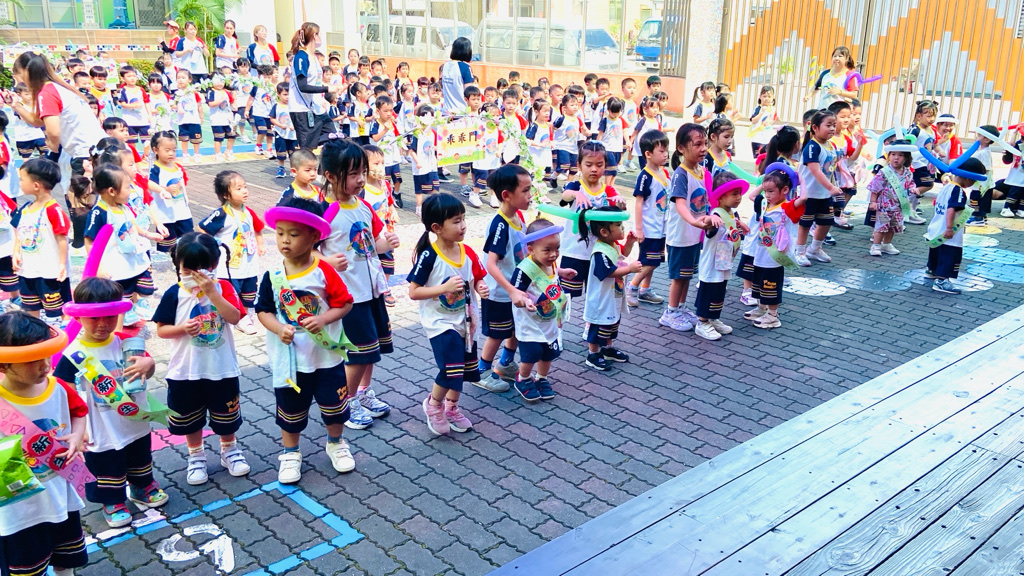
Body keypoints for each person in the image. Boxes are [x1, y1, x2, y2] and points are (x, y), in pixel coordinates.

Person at [255, 198, 356, 484]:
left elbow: (345, 303)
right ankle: (290, 453)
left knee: (334, 407)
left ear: (314, 237)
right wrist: (278, 328)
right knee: (290, 411)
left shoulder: (324, 271)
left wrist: (323, 319)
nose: (285, 240)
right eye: (280, 233)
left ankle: (336, 443)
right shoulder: (273, 277)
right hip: (290, 361)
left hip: (326, 357)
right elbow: (263, 311)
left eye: (294, 234)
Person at [54, 277, 166, 527]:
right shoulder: (73, 355)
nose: (103, 324)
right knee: (106, 464)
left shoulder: (126, 343)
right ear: (78, 316)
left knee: (139, 455)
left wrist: (149, 364)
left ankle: (142, 486)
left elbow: (145, 372)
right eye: (94, 318)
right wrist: (75, 427)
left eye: (110, 316)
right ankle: (112, 501)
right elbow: (65, 392)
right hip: (100, 426)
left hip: (134, 420)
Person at [153, 232, 249, 485]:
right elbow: (161, 329)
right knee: (189, 419)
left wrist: (213, 293)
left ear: (215, 265)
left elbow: (235, 318)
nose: (195, 275)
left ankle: (229, 450)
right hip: (185, 370)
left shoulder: (224, 288)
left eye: (202, 269)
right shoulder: (174, 293)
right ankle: (196, 456)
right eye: (188, 269)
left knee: (226, 417)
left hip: (221, 368)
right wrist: (182, 329)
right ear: (178, 265)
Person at [0, 312, 89, 576]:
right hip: (18, 509)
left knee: (67, 556)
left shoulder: (58, 387)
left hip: (59, 491)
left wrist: (77, 436)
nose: (45, 365)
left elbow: (79, 412)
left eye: (46, 356)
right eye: (32, 360)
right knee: (27, 567)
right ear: (3, 365)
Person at [318, 140, 398, 430]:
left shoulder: (363, 206)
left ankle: (364, 392)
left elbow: (373, 243)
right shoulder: (325, 211)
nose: (361, 179)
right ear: (330, 175)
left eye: (362, 172)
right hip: (348, 296)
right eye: (353, 174)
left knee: (371, 348)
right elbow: (306, 253)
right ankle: (347, 402)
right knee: (359, 352)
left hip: (371, 290)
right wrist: (327, 261)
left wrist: (387, 242)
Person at [407, 193, 488, 435]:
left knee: (462, 369)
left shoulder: (467, 252)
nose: (463, 225)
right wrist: (443, 288)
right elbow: (414, 292)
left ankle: (452, 407)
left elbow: (477, 277)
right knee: (451, 367)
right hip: (440, 323)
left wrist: (480, 287)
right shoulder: (429, 256)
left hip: (466, 322)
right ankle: (434, 404)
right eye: (456, 221)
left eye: (463, 219)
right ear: (437, 228)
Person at [7, 51, 105, 186]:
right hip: (96, 147)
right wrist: (16, 105)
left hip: (85, 152)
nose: (17, 80)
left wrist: (52, 146)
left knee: (79, 197)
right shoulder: (56, 87)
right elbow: (37, 121)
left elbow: (53, 131)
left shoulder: (46, 92)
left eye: (16, 74)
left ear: (26, 72)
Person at [84, 162, 163, 326]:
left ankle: (133, 306)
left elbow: (132, 225)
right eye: (127, 187)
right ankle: (123, 314)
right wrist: (97, 267)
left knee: (143, 286)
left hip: (132, 257)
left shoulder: (123, 207)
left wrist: (148, 234)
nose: (130, 191)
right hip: (116, 261)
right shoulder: (99, 212)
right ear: (112, 191)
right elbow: (90, 241)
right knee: (121, 289)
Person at [478, 164, 532, 393]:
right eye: (525, 191)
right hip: (499, 293)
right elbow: (490, 264)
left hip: (516, 290)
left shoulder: (518, 216)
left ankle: (505, 364)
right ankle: (482, 371)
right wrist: (510, 289)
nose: (530, 195)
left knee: (516, 329)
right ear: (507, 195)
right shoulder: (500, 224)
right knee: (497, 334)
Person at [558, 141, 625, 311]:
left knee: (596, 292)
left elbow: (618, 207)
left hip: (599, 252)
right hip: (574, 250)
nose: (594, 169)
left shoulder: (608, 191)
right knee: (566, 294)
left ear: (605, 166)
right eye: (589, 165)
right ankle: (559, 323)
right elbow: (565, 195)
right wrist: (576, 194)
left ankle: (592, 322)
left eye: (599, 165)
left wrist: (620, 203)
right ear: (579, 165)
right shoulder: (576, 186)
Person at [509, 218, 571, 401]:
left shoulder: (551, 263)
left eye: (557, 249)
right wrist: (523, 301)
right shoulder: (524, 270)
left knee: (548, 353)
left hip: (548, 321)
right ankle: (523, 378)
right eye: (547, 250)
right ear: (531, 249)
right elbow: (515, 292)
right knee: (531, 354)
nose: (554, 254)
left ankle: (542, 378)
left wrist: (562, 272)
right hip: (530, 324)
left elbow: (553, 275)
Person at [198, 171, 266, 334]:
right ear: (225, 195)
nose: (244, 191)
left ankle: (246, 317)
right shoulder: (222, 214)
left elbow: (257, 228)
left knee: (249, 294)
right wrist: (213, 246)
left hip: (249, 264)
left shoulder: (248, 211)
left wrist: (260, 244)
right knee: (232, 293)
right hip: (229, 267)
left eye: (245, 187)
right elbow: (202, 229)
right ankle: (237, 318)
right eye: (238, 188)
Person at [661, 124, 712, 332]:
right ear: (681, 148)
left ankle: (681, 308)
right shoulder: (680, 174)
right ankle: (670, 312)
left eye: (705, 143)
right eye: (698, 144)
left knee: (687, 274)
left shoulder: (701, 171)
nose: (703, 148)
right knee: (678, 277)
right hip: (681, 235)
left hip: (694, 235)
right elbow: (680, 204)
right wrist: (694, 221)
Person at [581, 206, 640, 370]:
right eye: (619, 225)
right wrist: (629, 269)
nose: (623, 228)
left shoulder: (612, 245)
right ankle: (593, 354)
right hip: (601, 299)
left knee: (612, 324)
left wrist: (629, 243)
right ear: (604, 232)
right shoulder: (600, 252)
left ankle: (607, 349)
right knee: (598, 325)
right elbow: (607, 272)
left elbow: (622, 255)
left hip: (612, 296)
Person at [11, 159, 69, 326]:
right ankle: (35, 332)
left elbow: (62, 238)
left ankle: (66, 334)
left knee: (61, 307)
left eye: (22, 179)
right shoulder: (25, 208)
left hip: (50, 271)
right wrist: (16, 252)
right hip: (28, 270)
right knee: (30, 306)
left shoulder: (54, 210)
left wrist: (62, 264)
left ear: (36, 185)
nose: (20, 183)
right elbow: (19, 232)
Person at [746, 169, 807, 328]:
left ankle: (772, 315)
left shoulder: (787, 207)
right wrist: (765, 182)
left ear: (785, 190)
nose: (767, 195)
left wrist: (801, 179)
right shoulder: (765, 204)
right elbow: (752, 196)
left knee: (771, 285)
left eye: (771, 191)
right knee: (759, 283)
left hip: (774, 257)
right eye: (766, 191)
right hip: (761, 253)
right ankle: (762, 308)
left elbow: (804, 198)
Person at [694, 172, 748, 340]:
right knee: (708, 291)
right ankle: (702, 322)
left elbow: (733, 233)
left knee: (719, 291)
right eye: (734, 194)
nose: (738, 197)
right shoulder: (716, 214)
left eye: (739, 193)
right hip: (712, 263)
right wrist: (710, 221)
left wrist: (741, 227)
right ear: (721, 196)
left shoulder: (732, 213)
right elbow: (708, 224)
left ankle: (713, 318)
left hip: (724, 261)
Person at [925, 158, 986, 295]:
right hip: (947, 232)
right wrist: (949, 228)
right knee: (949, 255)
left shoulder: (947, 186)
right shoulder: (958, 191)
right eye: (973, 181)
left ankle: (932, 270)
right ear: (967, 177)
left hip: (936, 228)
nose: (973, 184)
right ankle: (942, 280)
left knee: (937, 251)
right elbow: (951, 209)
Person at [627, 129, 671, 307]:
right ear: (648, 154)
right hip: (649, 228)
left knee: (655, 260)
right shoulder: (645, 176)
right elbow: (639, 203)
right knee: (649, 261)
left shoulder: (664, 173)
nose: (666, 154)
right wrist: (639, 228)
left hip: (661, 227)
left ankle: (645, 289)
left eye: (666, 150)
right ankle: (632, 286)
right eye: (661, 151)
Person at [796, 109, 843, 266]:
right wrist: (831, 187)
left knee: (826, 221)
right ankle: (799, 251)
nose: (832, 128)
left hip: (824, 194)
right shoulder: (812, 147)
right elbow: (815, 170)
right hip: (808, 194)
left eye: (834, 125)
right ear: (815, 128)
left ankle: (814, 249)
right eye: (828, 125)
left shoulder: (830, 145)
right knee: (805, 224)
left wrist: (833, 186)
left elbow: (831, 169)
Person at [288, 22, 340, 150]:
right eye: (319, 34)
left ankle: (324, 162)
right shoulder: (301, 57)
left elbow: (315, 82)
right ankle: (299, 156)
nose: (320, 37)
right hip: (301, 109)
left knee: (334, 137)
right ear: (313, 36)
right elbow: (303, 86)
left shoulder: (314, 57)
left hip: (316, 108)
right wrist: (327, 89)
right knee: (307, 148)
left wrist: (322, 96)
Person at [361, 145, 398, 306]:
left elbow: (389, 201)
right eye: (375, 163)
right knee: (371, 260)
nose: (380, 167)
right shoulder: (361, 188)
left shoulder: (384, 184)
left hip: (385, 230)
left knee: (388, 260)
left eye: (382, 163)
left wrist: (393, 210)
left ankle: (385, 287)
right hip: (369, 233)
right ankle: (373, 286)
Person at [866, 139, 914, 256]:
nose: (896, 158)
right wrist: (873, 202)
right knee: (881, 226)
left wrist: (914, 189)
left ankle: (886, 244)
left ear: (906, 158)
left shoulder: (907, 172)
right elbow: (875, 188)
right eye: (893, 154)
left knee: (893, 227)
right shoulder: (885, 172)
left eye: (900, 155)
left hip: (898, 206)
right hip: (884, 206)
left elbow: (910, 184)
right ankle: (876, 245)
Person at [148, 131, 194, 252]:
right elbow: (149, 183)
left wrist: (186, 197)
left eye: (174, 150)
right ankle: (173, 258)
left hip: (182, 211)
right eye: (167, 150)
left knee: (188, 240)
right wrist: (164, 189)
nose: (171, 153)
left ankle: (184, 258)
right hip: (165, 213)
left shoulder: (177, 167)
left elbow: (181, 183)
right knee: (168, 244)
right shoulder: (156, 169)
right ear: (156, 150)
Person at [906, 100, 939, 224]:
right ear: (919, 116)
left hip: (927, 163)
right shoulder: (915, 129)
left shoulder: (932, 130)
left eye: (934, 116)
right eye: (929, 116)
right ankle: (908, 203)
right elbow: (907, 144)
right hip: (916, 163)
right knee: (927, 184)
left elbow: (933, 145)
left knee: (920, 186)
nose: (932, 119)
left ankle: (911, 211)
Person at [409, 104, 440, 216]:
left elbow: (437, 146)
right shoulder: (417, 134)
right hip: (420, 165)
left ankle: (434, 205)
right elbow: (412, 151)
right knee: (419, 188)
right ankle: (419, 207)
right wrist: (417, 162)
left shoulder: (433, 133)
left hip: (431, 164)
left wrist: (436, 150)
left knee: (435, 186)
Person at [965, 125, 998, 226]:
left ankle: (978, 217)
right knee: (980, 200)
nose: (976, 137)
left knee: (976, 200)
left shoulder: (984, 152)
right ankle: (981, 217)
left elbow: (986, 168)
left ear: (987, 139)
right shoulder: (981, 151)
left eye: (979, 135)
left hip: (982, 184)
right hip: (980, 184)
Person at [553, 94, 587, 184]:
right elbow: (552, 127)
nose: (575, 107)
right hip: (562, 146)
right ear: (564, 108)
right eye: (572, 105)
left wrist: (587, 132)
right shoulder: (561, 118)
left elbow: (583, 129)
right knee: (564, 166)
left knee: (573, 169)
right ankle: (553, 176)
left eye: (576, 105)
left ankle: (567, 185)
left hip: (573, 148)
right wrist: (551, 140)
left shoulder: (578, 119)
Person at [246, 65, 277, 159]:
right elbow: (250, 99)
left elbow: (275, 100)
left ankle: (269, 150)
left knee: (270, 133)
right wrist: (247, 110)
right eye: (264, 77)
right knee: (262, 130)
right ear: (259, 76)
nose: (267, 79)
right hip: (258, 113)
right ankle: (258, 145)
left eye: (269, 77)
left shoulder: (273, 88)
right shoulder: (256, 87)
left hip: (269, 114)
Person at [597, 97, 629, 187]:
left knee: (615, 170)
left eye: (617, 113)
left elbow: (625, 131)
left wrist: (628, 141)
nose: (615, 115)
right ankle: (607, 186)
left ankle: (611, 186)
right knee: (610, 168)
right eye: (613, 113)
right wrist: (597, 146)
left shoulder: (621, 120)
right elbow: (600, 134)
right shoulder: (605, 121)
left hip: (617, 148)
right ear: (608, 110)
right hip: (607, 148)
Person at [440, 37, 475, 115]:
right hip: (460, 112)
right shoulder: (465, 67)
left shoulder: (445, 65)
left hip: (446, 111)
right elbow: (469, 91)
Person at [207, 73, 237, 162]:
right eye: (217, 81)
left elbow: (231, 101)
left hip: (228, 118)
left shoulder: (226, 92)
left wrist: (234, 106)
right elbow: (211, 104)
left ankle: (228, 151)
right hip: (217, 119)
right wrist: (220, 100)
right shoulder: (211, 92)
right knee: (218, 138)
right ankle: (217, 154)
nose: (220, 84)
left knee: (232, 135)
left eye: (222, 81)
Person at [270, 83, 298, 178]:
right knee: (281, 151)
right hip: (280, 133)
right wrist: (280, 125)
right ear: (278, 94)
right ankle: (281, 168)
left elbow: (298, 118)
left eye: (289, 94)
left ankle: (293, 169)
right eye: (285, 94)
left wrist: (294, 125)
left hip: (293, 134)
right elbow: (272, 118)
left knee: (293, 153)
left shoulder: (294, 106)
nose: (287, 97)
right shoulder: (276, 106)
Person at [749, 85, 777, 156]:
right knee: (759, 157)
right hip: (757, 138)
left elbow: (770, 122)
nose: (767, 99)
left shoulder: (773, 109)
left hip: (768, 138)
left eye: (769, 96)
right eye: (764, 96)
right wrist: (761, 113)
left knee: (767, 156)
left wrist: (776, 120)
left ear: (773, 98)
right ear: (760, 97)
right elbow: (753, 121)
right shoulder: (758, 108)